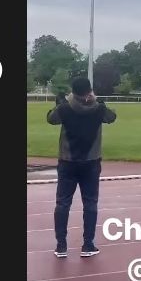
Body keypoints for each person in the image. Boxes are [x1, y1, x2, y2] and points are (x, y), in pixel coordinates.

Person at [46, 77, 117, 258]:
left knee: (62, 203)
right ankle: (88, 244)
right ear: (89, 91)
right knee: (90, 203)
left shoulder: (65, 108)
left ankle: (61, 246)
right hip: (91, 161)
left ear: (73, 91)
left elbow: (51, 119)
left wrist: (62, 101)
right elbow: (112, 117)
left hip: (67, 161)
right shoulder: (99, 109)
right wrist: (98, 100)